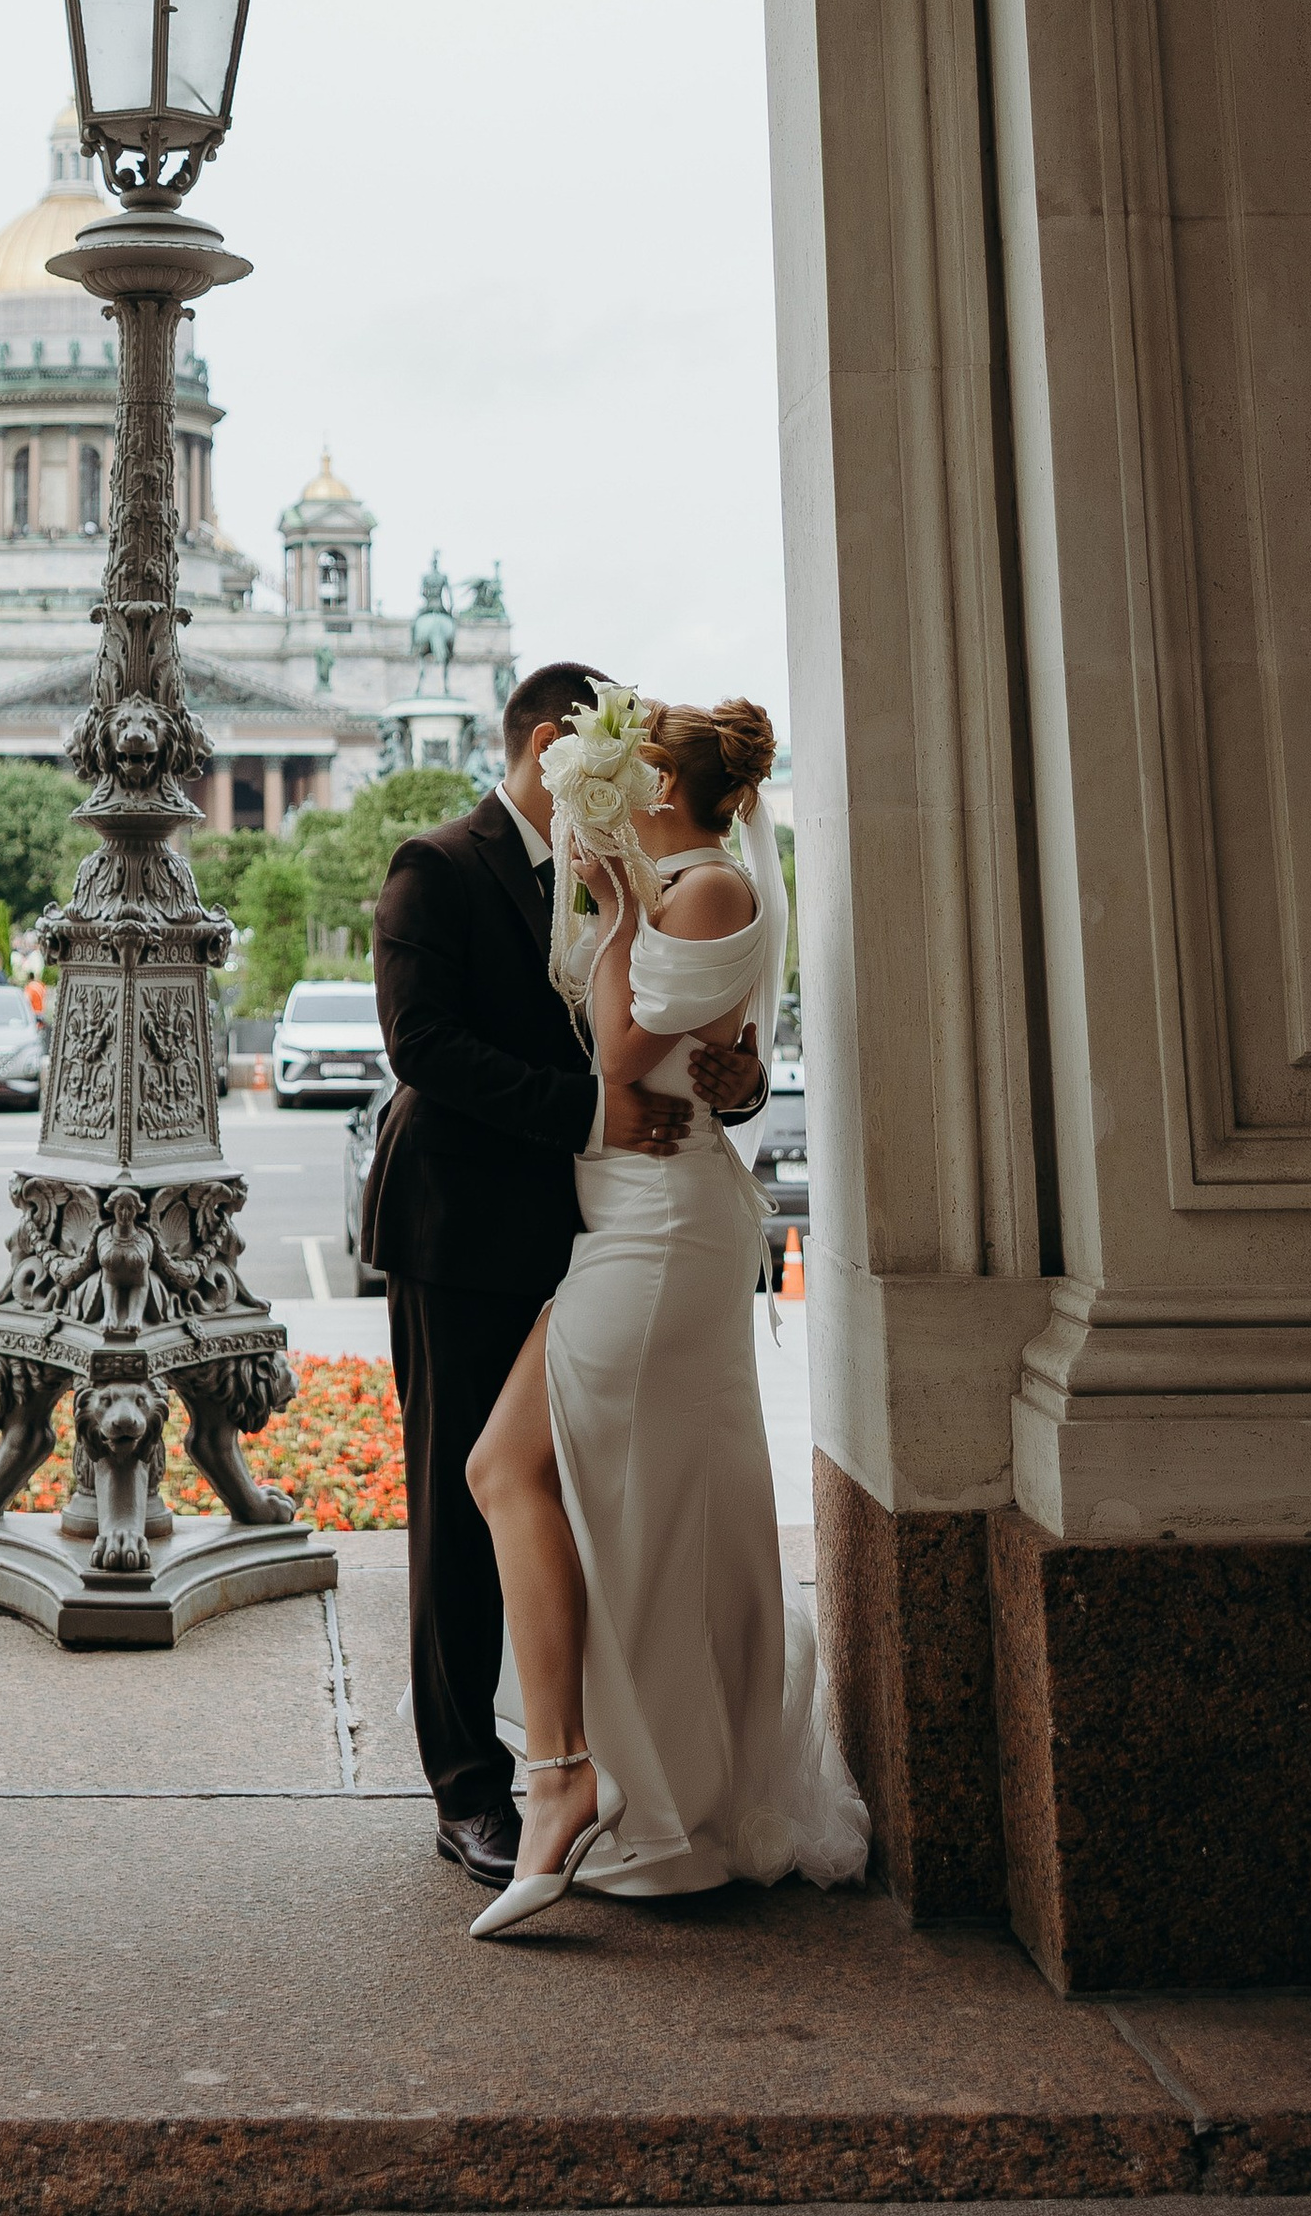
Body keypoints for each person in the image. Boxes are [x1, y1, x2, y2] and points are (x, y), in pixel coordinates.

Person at [360, 663, 768, 1893]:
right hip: (463, 1224)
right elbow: (423, 1048)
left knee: (566, 1491)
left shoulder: (643, 878)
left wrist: (728, 1084)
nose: (628, 777)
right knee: (462, 1498)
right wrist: (592, 1112)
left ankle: (597, 1749)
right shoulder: (435, 863)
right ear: (551, 747)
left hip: (601, 1228)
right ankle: (469, 1788)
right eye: (608, 753)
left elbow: (680, 1035)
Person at [462, 693, 866, 1936]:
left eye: (628, 769)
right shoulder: (676, 881)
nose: (612, 788)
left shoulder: (698, 891)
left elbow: (627, 1055)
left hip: (663, 1228)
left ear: (666, 786)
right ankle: (616, 1775)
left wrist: (615, 907)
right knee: (573, 1484)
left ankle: (572, 1777)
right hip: (625, 1218)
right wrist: (612, 905)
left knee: (525, 1469)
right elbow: (701, 1055)